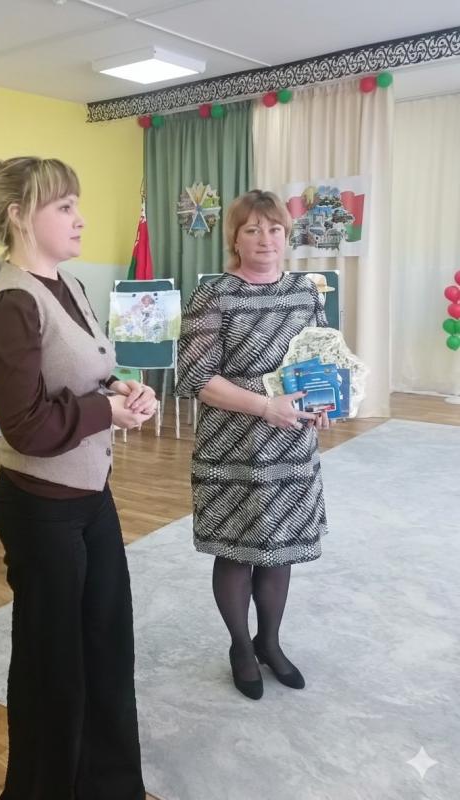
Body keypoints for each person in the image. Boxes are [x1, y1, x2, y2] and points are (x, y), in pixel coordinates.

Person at [0, 156, 156, 799]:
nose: (80, 219)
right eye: (64, 207)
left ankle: (110, 788)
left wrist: (123, 389)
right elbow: (24, 425)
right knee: (53, 669)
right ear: (20, 215)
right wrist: (105, 411)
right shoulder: (12, 303)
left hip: (90, 496)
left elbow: (88, 371)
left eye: (77, 204)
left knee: (107, 647)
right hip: (39, 508)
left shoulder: (69, 285)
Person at [176, 190, 330, 701]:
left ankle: (270, 642)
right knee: (236, 550)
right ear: (235, 239)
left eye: (275, 229)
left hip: (291, 444)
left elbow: (319, 360)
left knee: (279, 548)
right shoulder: (213, 295)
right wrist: (267, 406)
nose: (265, 239)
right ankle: (241, 647)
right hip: (231, 446)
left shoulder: (306, 293)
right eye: (252, 230)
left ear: (287, 236)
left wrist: (324, 401)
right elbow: (196, 377)